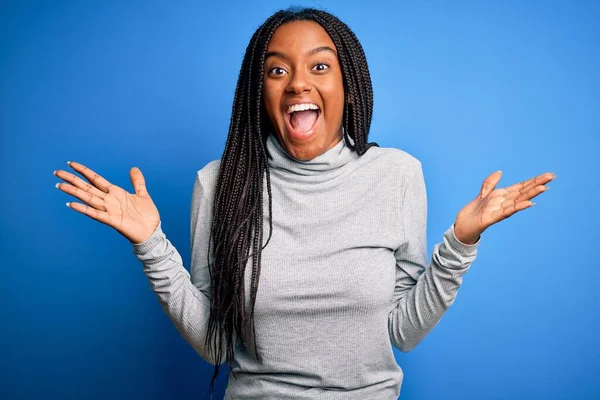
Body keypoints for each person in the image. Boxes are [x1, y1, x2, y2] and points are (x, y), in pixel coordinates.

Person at [53, 7, 555, 399]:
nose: (298, 83)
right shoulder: (219, 184)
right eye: (277, 70)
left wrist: (460, 243)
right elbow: (216, 344)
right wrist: (152, 247)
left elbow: (402, 332)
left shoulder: (397, 175)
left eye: (319, 66)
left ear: (348, 87)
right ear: (260, 92)